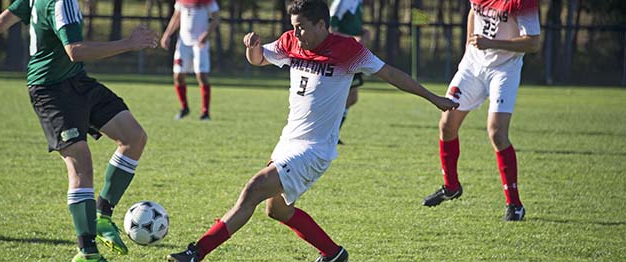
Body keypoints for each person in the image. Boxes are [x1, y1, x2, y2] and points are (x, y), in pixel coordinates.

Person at [167, 1, 458, 261]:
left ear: (321, 25)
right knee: (276, 210)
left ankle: (197, 253)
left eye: (302, 28)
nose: (296, 34)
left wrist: (434, 98)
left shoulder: (348, 50)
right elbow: (258, 59)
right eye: (293, 27)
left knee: (252, 190)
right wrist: (251, 47)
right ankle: (333, 253)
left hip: (314, 149)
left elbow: (393, 75)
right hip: (288, 142)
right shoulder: (290, 43)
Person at [0, 0, 158, 261]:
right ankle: (87, 252)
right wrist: (129, 43)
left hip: (77, 81)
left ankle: (102, 216)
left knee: (133, 137)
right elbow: (75, 50)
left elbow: (3, 20)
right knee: (80, 163)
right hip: (50, 90)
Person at [421, 0, 540, 222]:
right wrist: (469, 47)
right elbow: (473, 13)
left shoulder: (522, 2)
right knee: (447, 124)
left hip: (504, 70)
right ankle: (451, 187)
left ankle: (514, 204)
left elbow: (533, 43)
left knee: (497, 133)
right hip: (473, 66)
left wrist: (492, 43)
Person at [160, 0, 221, 121]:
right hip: (183, 44)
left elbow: (216, 19)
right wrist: (167, 34)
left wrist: (206, 35)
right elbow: (176, 16)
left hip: (200, 44)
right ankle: (184, 108)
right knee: (178, 76)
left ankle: (205, 112)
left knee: (202, 76)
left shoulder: (208, 1)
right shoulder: (182, 1)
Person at [328, 0, 369, 144]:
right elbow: (330, 29)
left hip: (353, 54)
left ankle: (332, 134)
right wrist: (353, 39)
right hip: (342, 54)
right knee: (339, 97)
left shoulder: (357, 2)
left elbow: (351, 26)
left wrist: (363, 32)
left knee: (351, 97)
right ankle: (329, 134)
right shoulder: (341, 2)